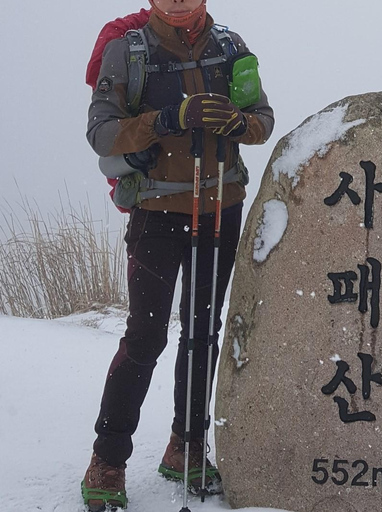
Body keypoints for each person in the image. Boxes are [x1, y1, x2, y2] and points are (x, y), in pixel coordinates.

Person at [82, 0, 274, 510]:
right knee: (145, 336)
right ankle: (108, 458)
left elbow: (263, 120)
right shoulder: (128, 52)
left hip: (220, 208)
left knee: (203, 330)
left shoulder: (230, 47)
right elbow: (101, 133)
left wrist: (237, 123)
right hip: (155, 212)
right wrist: (167, 119)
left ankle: (186, 446)